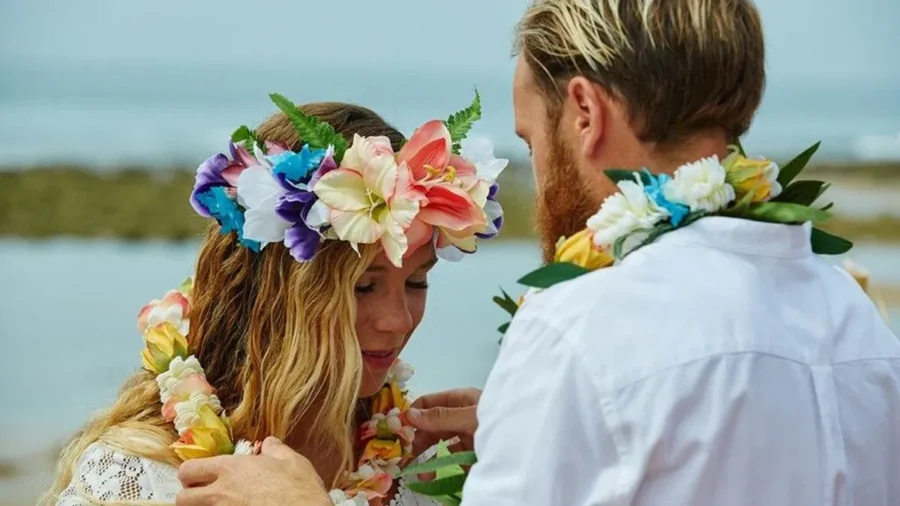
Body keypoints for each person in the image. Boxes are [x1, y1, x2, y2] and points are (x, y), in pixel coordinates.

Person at [175, 0, 900, 505]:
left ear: (583, 113)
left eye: (530, 139)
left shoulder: (580, 328)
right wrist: (549, 433)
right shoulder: (858, 323)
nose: (535, 179)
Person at [39, 99, 507, 506]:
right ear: (278, 290)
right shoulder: (143, 475)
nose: (397, 321)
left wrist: (526, 462)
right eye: (363, 286)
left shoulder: (428, 462)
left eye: (417, 282)